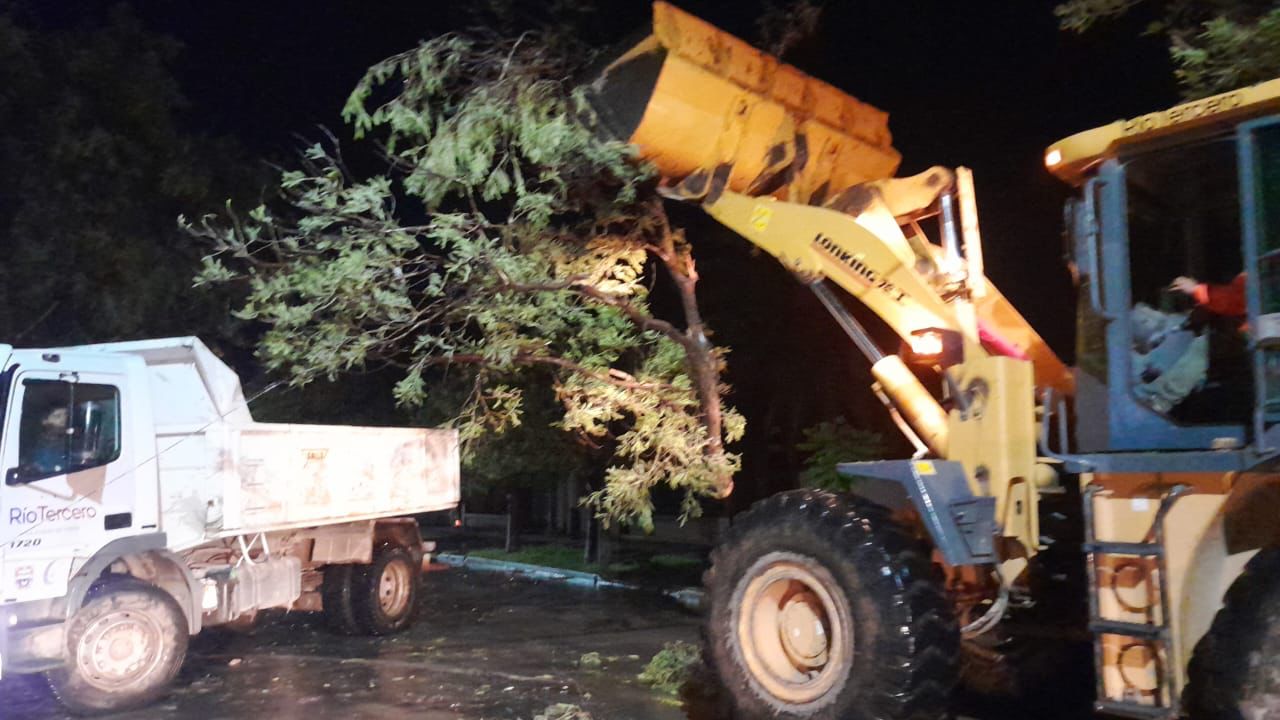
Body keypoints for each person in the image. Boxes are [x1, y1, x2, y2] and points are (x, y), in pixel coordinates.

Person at [1132, 273, 1248, 415]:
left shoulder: (1264, 270)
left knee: (1201, 350)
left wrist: (1196, 290)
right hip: (1227, 326)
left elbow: (1234, 300)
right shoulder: (1259, 268)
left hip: (1247, 337)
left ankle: (1159, 402)